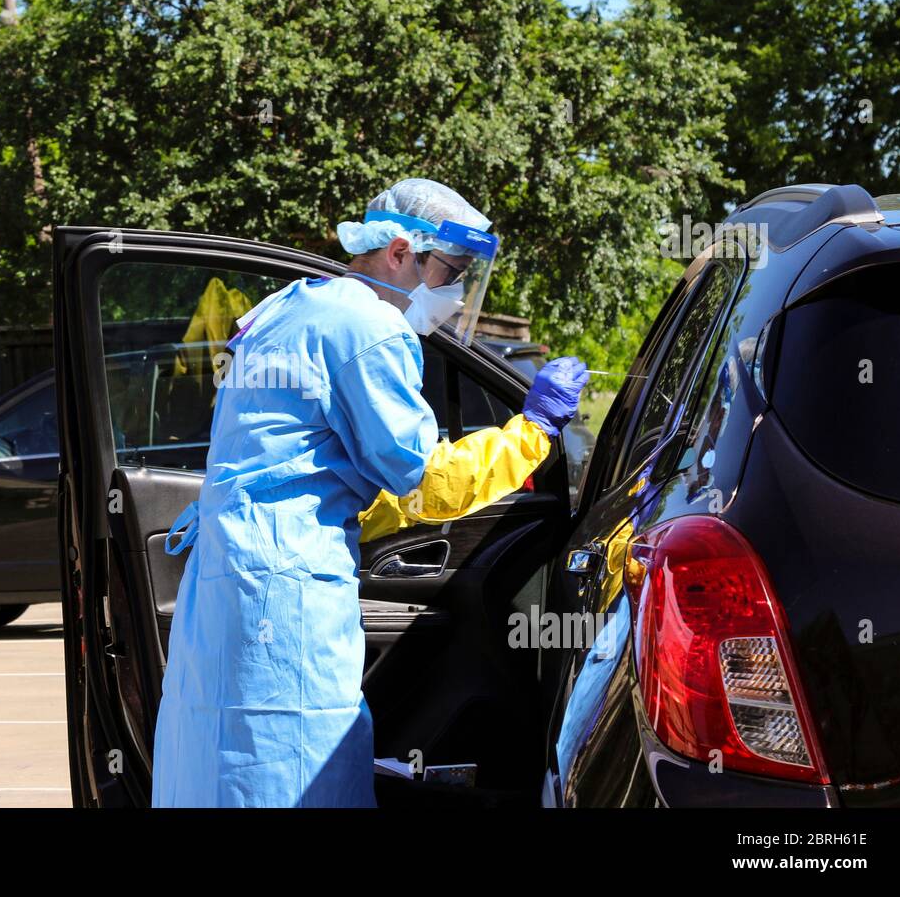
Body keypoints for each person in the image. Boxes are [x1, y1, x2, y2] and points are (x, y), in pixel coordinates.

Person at [151, 178, 589, 807]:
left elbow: (309, 474)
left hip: (225, 579)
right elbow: (427, 482)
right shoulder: (370, 328)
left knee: (219, 762)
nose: (454, 291)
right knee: (301, 766)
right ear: (400, 251)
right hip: (285, 588)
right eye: (450, 270)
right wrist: (533, 432)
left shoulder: (288, 307)